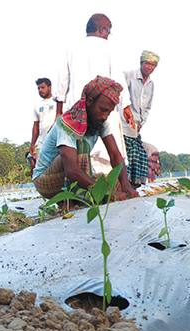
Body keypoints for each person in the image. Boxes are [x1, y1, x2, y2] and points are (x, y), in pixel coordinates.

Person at [32, 76, 139, 207]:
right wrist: (104, 192)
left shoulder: (101, 121)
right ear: (89, 101)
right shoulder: (67, 123)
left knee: (115, 186)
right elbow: (71, 170)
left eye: (109, 112)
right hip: (45, 180)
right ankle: (75, 202)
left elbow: (115, 155)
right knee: (81, 145)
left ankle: (80, 197)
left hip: (68, 175)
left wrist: (126, 184)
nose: (105, 116)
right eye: (103, 110)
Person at [54, 13, 134, 172]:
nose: (108, 37)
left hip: (79, 109)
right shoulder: (108, 48)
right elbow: (118, 80)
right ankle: (109, 188)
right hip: (105, 109)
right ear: (102, 29)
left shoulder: (71, 47)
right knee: (108, 150)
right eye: (108, 32)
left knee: (82, 151)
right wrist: (126, 107)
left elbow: (62, 81)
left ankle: (85, 186)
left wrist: (59, 111)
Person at [122, 50, 160, 188]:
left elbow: (147, 107)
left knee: (140, 158)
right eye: (148, 64)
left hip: (136, 126)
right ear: (141, 62)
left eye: (153, 65)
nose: (150, 67)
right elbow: (120, 99)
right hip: (123, 123)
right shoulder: (128, 76)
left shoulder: (151, 84)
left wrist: (141, 122)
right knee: (128, 156)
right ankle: (124, 185)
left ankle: (133, 186)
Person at [30, 78, 57, 175]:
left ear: (50, 88)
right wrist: (32, 144)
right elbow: (36, 126)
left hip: (57, 142)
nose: (40, 90)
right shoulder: (37, 106)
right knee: (42, 170)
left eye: (43, 87)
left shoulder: (59, 102)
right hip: (42, 143)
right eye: (38, 88)